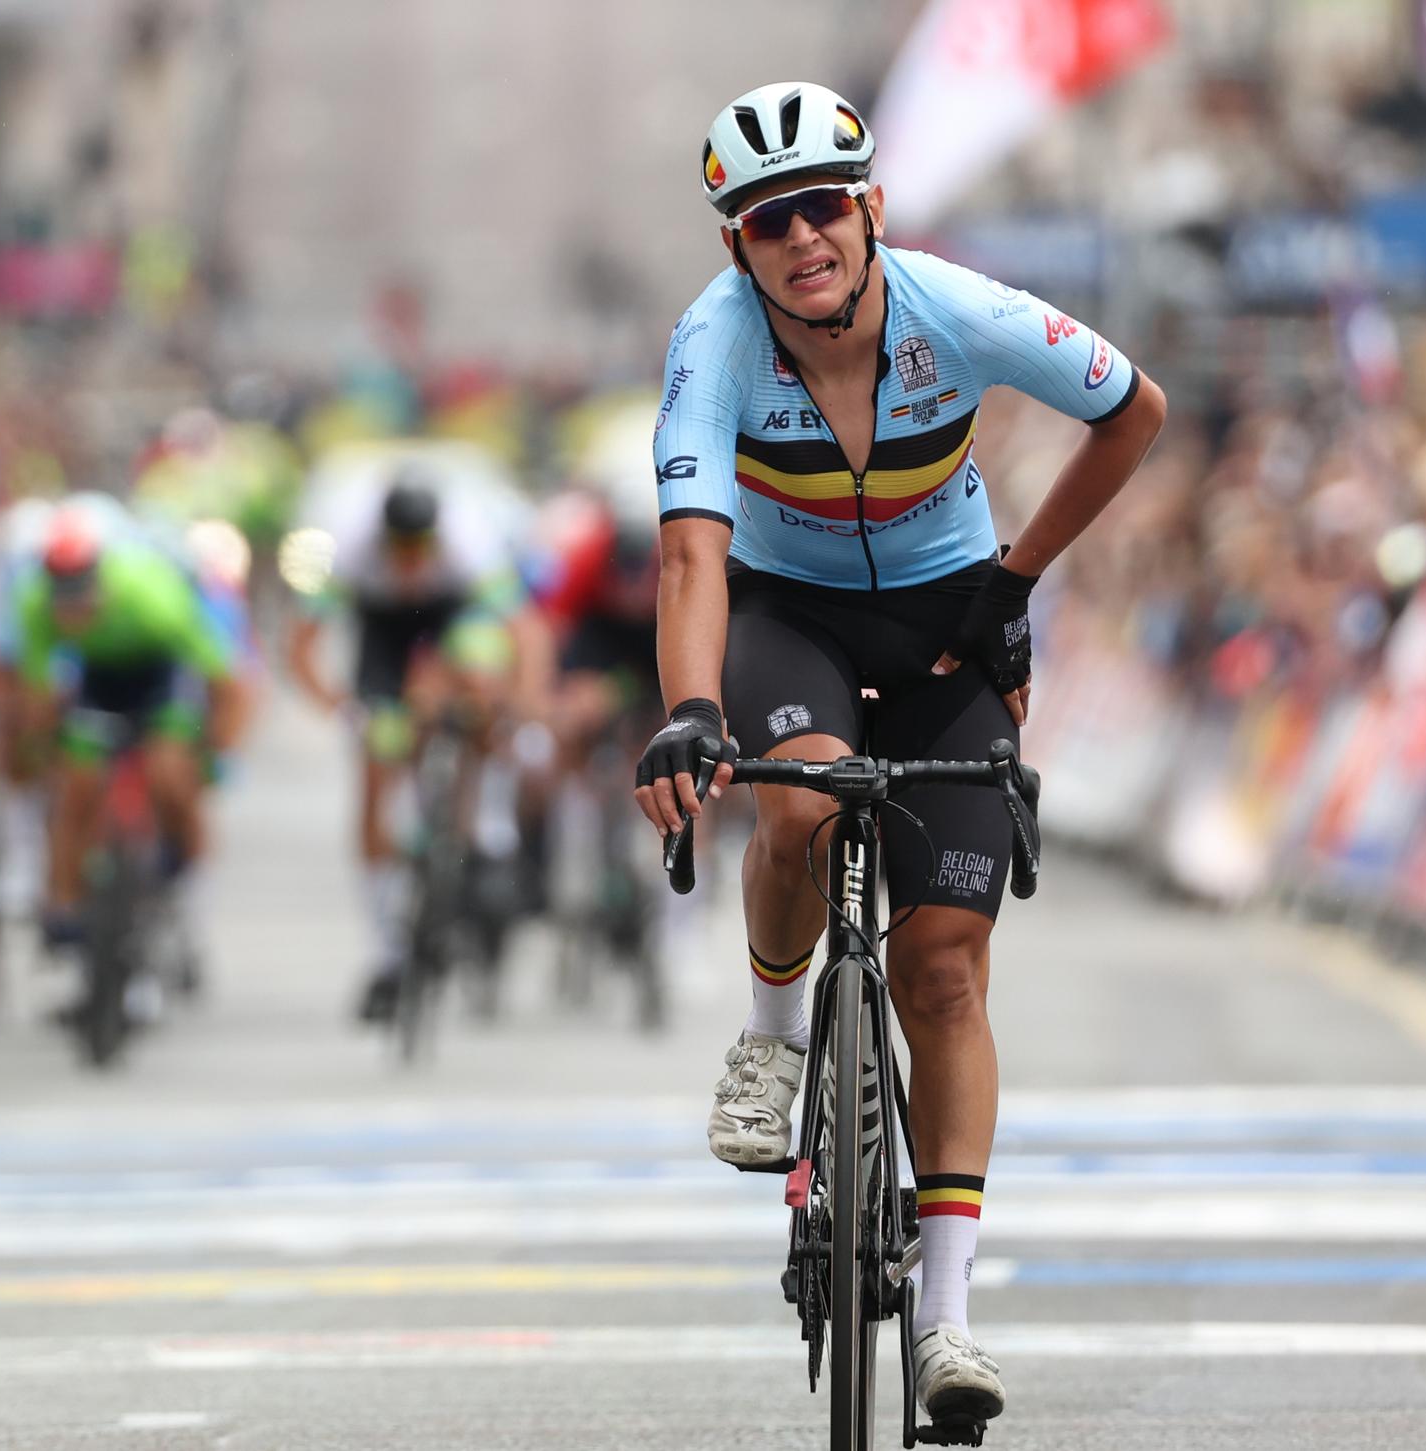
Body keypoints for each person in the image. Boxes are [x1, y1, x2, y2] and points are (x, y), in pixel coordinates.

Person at [632, 81, 1168, 1424]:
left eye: (823, 206)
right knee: (801, 807)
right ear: (737, 247)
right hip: (788, 617)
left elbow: (1135, 410)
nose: (802, 238)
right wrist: (691, 708)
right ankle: (773, 1036)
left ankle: (945, 1319)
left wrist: (1018, 577)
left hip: (949, 622)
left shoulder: (956, 309)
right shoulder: (713, 342)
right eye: (769, 223)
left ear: (871, 207)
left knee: (944, 968)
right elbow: (692, 550)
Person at [285, 463, 550, 1021]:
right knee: (376, 767)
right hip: (382, 629)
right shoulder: (348, 548)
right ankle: (386, 954)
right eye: (398, 550)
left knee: (480, 689)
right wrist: (341, 708)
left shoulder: (468, 543)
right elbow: (301, 646)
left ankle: (488, 822)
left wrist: (521, 704)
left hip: (456, 616)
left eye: (418, 549)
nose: (408, 561)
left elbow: (526, 633)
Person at [13, 502, 245, 979]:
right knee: (76, 787)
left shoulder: (150, 598)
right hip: (99, 683)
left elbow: (225, 679)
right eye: (65, 603)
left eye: (84, 600)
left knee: (169, 775)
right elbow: (38, 696)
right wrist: (38, 751)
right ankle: (66, 907)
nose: (75, 612)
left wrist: (217, 748)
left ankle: (186, 888)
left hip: (162, 678)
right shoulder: (36, 605)